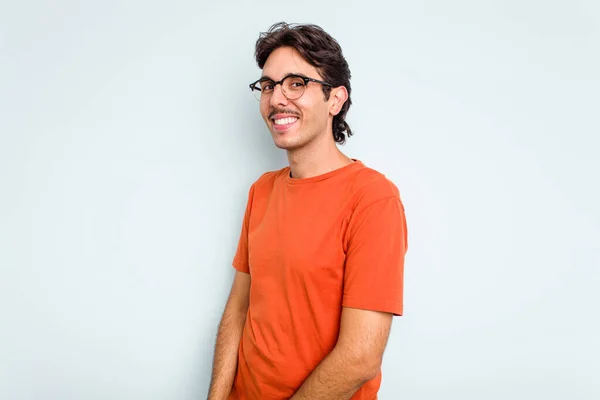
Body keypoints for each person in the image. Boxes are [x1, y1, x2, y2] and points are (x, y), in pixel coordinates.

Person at [207, 22, 408, 400]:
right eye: (268, 85)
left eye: (296, 83)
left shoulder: (373, 199)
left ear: (335, 99)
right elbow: (238, 309)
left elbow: (361, 357)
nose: (277, 98)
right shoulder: (261, 191)